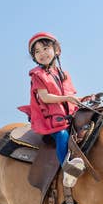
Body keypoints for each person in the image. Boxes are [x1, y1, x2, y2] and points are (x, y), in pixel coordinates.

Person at [19, 32, 87, 187]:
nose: (42, 54)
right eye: (37, 51)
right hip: (49, 121)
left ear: (56, 50)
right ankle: (67, 169)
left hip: (66, 117)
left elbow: (69, 97)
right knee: (62, 135)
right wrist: (67, 98)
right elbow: (45, 97)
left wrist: (82, 99)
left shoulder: (63, 74)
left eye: (45, 48)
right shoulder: (37, 75)